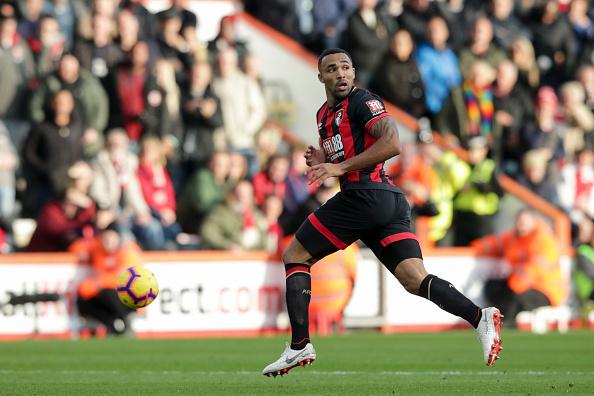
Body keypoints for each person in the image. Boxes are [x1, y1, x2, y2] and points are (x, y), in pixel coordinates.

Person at [262, 48, 503, 377]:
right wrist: (325, 160)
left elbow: (392, 143)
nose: (341, 73)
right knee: (414, 279)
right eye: (332, 69)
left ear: (354, 71)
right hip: (384, 202)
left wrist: (340, 167)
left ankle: (299, 344)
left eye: (346, 67)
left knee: (295, 254)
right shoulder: (323, 115)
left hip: (366, 195)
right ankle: (480, 318)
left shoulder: (363, 101)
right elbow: (347, 153)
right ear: (321, 78)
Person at [471, 209, 566, 326]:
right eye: (519, 222)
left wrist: (514, 284)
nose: (522, 225)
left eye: (525, 222)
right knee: (492, 286)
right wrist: (474, 248)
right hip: (517, 282)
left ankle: (506, 325)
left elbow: (534, 269)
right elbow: (495, 243)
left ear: (534, 222)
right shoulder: (513, 237)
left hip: (545, 290)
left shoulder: (543, 240)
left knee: (515, 297)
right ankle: (494, 322)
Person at [72, 222, 140, 335]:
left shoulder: (127, 252)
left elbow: (123, 278)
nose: (107, 241)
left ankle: (125, 322)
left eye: (111, 238)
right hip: (103, 293)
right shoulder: (97, 249)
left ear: (118, 238)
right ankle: (112, 324)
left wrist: (99, 283)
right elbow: (78, 246)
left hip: (128, 297)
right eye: (105, 238)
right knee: (83, 298)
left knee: (107, 293)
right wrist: (80, 252)